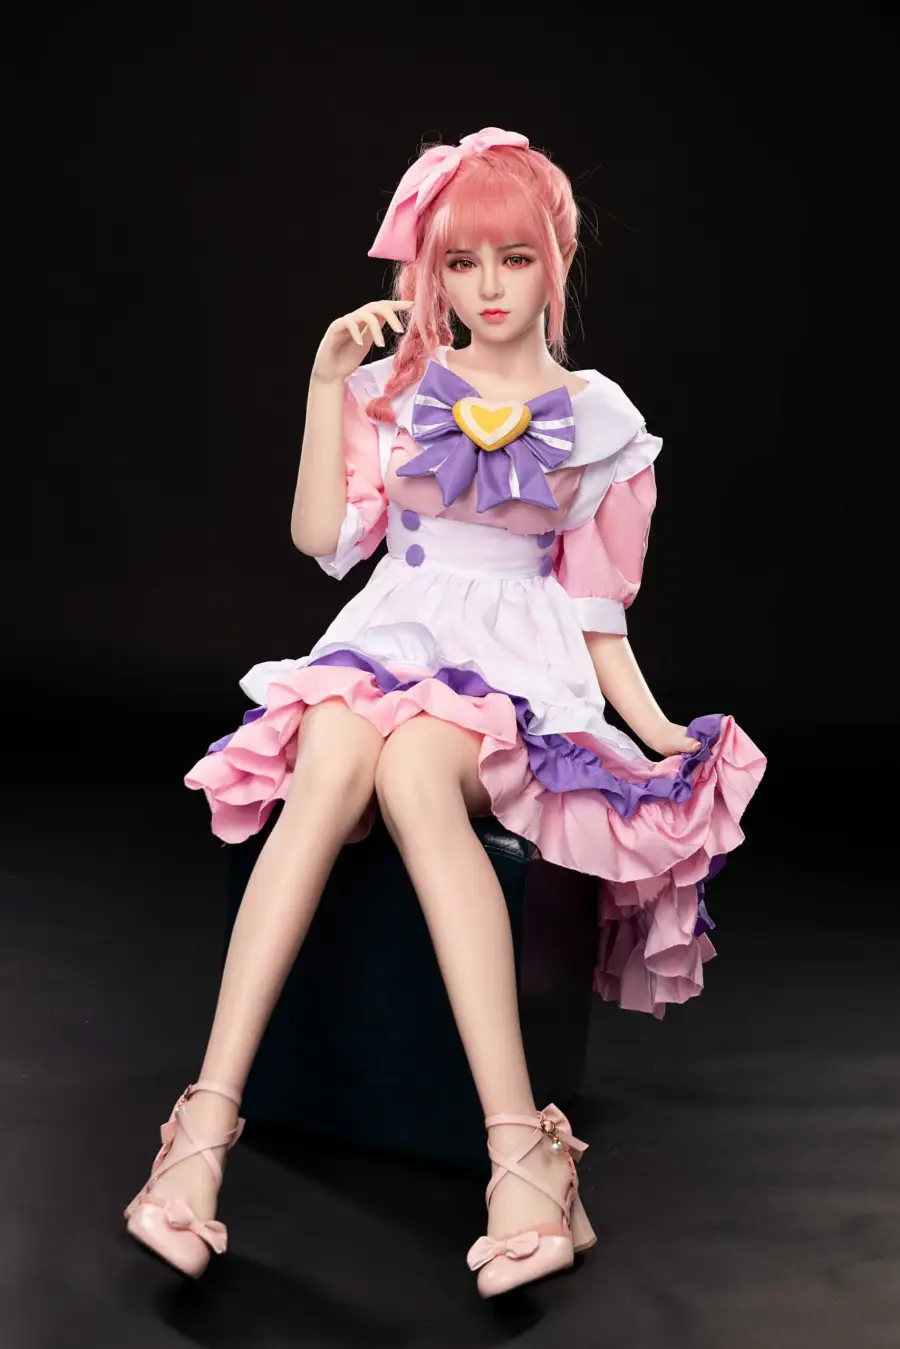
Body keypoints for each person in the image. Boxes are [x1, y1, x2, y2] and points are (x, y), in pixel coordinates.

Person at [124, 128, 766, 1297]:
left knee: (420, 769)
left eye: (512, 259)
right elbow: (323, 541)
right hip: (384, 637)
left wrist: (658, 733)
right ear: (431, 273)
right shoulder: (400, 388)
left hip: (516, 664)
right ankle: (200, 1132)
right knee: (332, 754)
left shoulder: (598, 417)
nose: (487, 288)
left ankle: (524, 1152)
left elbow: (600, 614)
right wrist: (326, 384)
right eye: (461, 263)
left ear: (554, 261)